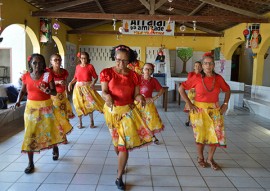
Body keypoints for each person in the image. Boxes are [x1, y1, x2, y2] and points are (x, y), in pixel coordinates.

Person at [100, 45, 153, 190]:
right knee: (117, 145)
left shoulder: (134, 75)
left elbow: (136, 94)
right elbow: (104, 91)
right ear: (114, 58)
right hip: (111, 112)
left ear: (129, 60)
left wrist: (140, 97)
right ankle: (120, 164)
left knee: (124, 147)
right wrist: (107, 96)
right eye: (118, 60)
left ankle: (119, 177)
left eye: (124, 61)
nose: (120, 64)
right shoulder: (107, 73)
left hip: (128, 112)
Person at [14, 54, 72, 174]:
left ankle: (55, 148)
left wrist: (47, 90)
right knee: (30, 133)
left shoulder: (47, 75)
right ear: (30, 64)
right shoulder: (26, 76)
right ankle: (30, 163)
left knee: (51, 130)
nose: (37, 65)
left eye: (40, 63)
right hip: (31, 109)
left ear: (44, 64)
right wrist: (18, 100)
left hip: (46, 107)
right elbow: (23, 90)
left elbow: (54, 92)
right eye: (34, 63)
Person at [178, 54, 230, 170]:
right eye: (205, 63)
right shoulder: (196, 78)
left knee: (215, 135)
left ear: (213, 65)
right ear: (202, 65)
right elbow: (181, 88)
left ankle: (210, 159)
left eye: (210, 63)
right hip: (199, 111)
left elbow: (227, 90)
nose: (208, 65)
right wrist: (190, 104)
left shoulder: (219, 78)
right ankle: (200, 158)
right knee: (201, 136)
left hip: (215, 111)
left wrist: (225, 104)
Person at [68, 52, 104, 128]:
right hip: (78, 89)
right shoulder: (77, 67)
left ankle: (92, 122)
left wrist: (93, 83)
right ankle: (80, 123)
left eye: (85, 58)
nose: (83, 60)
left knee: (90, 105)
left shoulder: (90, 66)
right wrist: (70, 83)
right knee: (78, 105)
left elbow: (96, 77)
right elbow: (75, 78)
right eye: (82, 58)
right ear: (79, 59)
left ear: (87, 59)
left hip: (87, 89)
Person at [137, 63, 165, 144]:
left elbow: (162, 90)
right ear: (142, 69)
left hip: (148, 104)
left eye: (149, 69)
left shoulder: (154, 80)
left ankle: (153, 137)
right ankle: (138, 137)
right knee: (136, 120)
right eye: (146, 69)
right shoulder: (137, 79)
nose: (147, 71)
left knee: (149, 121)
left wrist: (154, 98)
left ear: (152, 71)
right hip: (137, 103)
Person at [49, 54, 75, 120]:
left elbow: (65, 83)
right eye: (55, 60)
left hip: (62, 96)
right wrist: (57, 82)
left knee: (64, 115)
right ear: (51, 61)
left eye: (59, 60)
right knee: (55, 116)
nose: (58, 61)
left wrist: (67, 94)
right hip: (53, 97)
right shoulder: (48, 72)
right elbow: (47, 84)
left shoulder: (64, 72)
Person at [184, 61, 202, 126]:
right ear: (194, 67)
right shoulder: (191, 74)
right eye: (196, 66)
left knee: (198, 106)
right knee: (190, 106)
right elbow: (189, 82)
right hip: (192, 92)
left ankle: (195, 120)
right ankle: (188, 119)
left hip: (199, 92)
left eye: (199, 66)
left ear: (201, 68)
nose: (197, 67)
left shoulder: (203, 75)